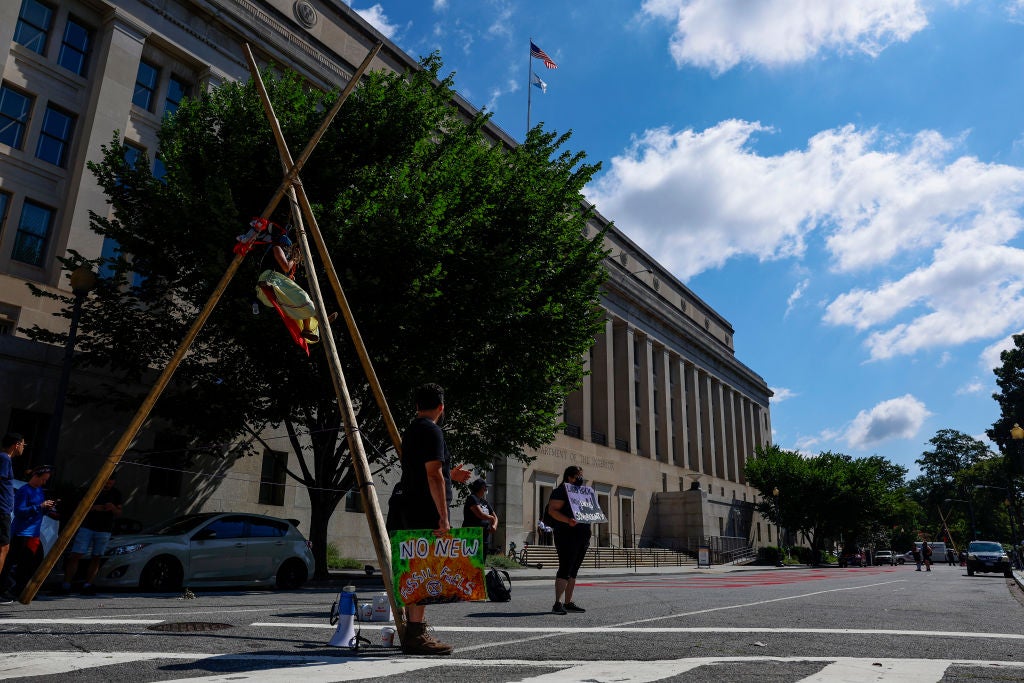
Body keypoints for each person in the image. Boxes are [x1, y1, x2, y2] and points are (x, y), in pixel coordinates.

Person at [396, 383, 471, 655]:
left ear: (417, 406)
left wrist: (453, 475)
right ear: (441, 407)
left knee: (416, 568)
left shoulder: (413, 430)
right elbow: (432, 474)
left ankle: (413, 629)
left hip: (410, 505)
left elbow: (422, 470)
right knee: (424, 569)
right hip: (425, 509)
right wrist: (443, 517)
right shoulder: (432, 430)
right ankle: (416, 633)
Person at [255, 224, 331, 344]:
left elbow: (286, 269)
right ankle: (320, 319)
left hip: (276, 283)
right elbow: (285, 267)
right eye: (287, 247)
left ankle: (308, 329)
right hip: (269, 280)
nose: (288, 249)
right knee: (302, 296)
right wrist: (294, 260)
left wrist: (290, 274)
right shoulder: (276, 248)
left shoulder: (284, 253)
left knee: (300, 302)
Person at [0, 465, 58, 601]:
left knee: (28, 564)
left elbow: (40, 511)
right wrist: (39, 506)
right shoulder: (23, 491)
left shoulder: (39, 491)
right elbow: (19, 511)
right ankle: (5, 590)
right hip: (21, 533)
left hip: (34, 534)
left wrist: (47, 508)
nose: (44, 483)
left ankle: (21, 591)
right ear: (35, 476)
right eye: (43, 479)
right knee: (11, 563)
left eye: (46, 480)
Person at [60, 474, 123, 595]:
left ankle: (88, 584)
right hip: (87, 526)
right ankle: (66, 584)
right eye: (106, 482)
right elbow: (80, 506)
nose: (107, 484)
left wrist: (113, 508)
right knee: (76, 554)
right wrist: (94, 508)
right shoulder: (92, 490)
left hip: (105, 529)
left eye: (110, 482)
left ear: (113, 482)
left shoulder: (116, 494)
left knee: (97, 556)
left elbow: (119, 512)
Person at [545, 465, 591, 615]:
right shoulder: (561, 491)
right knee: (565, 567)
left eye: (581, 475)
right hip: (566, 534)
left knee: (574, 570)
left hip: (582, 535)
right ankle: (557, 603)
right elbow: (552, 511)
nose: (580, 478)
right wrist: (567, 520)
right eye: (577, 476)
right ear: (569, 477)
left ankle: (568, 602)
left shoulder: (582, 493)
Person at [0, 433, 26, 587]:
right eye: (23, 444)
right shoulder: (4, 458)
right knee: (3, 547)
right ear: (17, 444)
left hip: (4, 509)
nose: (23, 447)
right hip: (1, 510)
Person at [462, 479, 498, 554]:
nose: (486, 490)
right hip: (472, 534)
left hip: (484, 534)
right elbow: (480, 515)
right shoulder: (472, 498)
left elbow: (495, 516)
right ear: (481, 488)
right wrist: (491, 518)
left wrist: (494, 525)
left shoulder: (484, 502)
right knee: (472, 560)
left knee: (482, 558)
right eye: (485, 488)